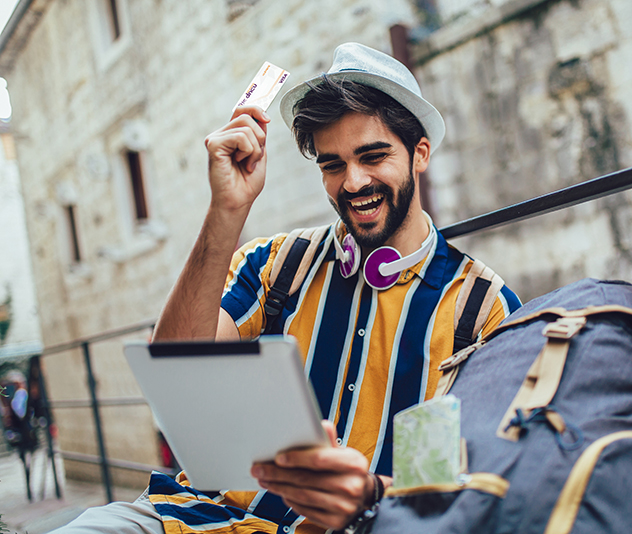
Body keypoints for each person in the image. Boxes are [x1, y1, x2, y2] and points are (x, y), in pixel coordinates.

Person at [55, 42, 521, 534]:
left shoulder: (482, 307)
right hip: (201, 518)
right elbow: (176, 361)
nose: (354, 181)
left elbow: (486, 478)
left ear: (419, 153)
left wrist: (368, 495)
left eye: (373, 156)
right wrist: (226, 211)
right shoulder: (277, 262)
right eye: (332, 164)